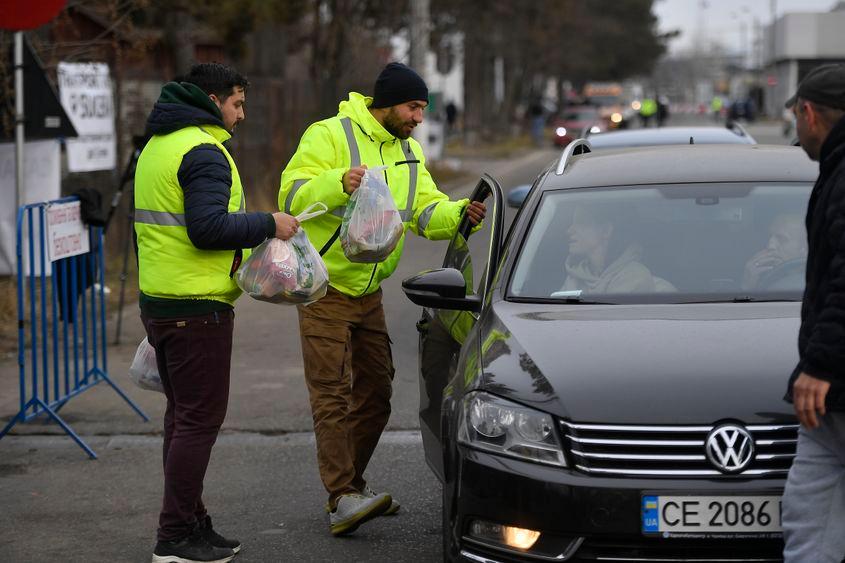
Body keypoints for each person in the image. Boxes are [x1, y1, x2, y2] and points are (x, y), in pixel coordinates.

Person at [278, 62, 485, 536]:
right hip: (324, 288)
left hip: (369, 291)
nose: (418, 118)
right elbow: (290, 195)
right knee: (332, 393)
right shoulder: (329, 134)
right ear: (387, 103)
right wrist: (337, 182)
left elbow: (425, 211)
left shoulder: (409, 152)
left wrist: (460, 215)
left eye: (422, 109)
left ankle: (352, 488)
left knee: (376, 392)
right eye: (413, 107)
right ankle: (342, 496)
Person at [135, 62, 299, 563]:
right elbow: (207, 228)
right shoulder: (202, 151)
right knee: (198, 422)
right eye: (237, 103)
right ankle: (174, 537)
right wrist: (269, 223)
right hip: (195, 307)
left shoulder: (158, 145)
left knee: (183, 418)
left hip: (162, 300)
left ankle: (191, 523)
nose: (241, 114)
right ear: (212, 101)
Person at [780, 63, 845, 563]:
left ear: (808, 113)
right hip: (829, 411)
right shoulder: (836, 172)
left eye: (795, 120)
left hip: (833, 385)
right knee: (810, 519)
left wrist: (821, 364)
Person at [559, 204, 657, 294]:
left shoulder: (635, 277)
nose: (569, 231)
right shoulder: (575, 277)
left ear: (606, 230)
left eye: (581, 222)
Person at [741, 214, 807, 290]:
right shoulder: (761, 277)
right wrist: (747, 286)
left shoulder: (817, 281)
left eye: (781, 239)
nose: (770, 246)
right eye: (769, 237)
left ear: (805, 248)